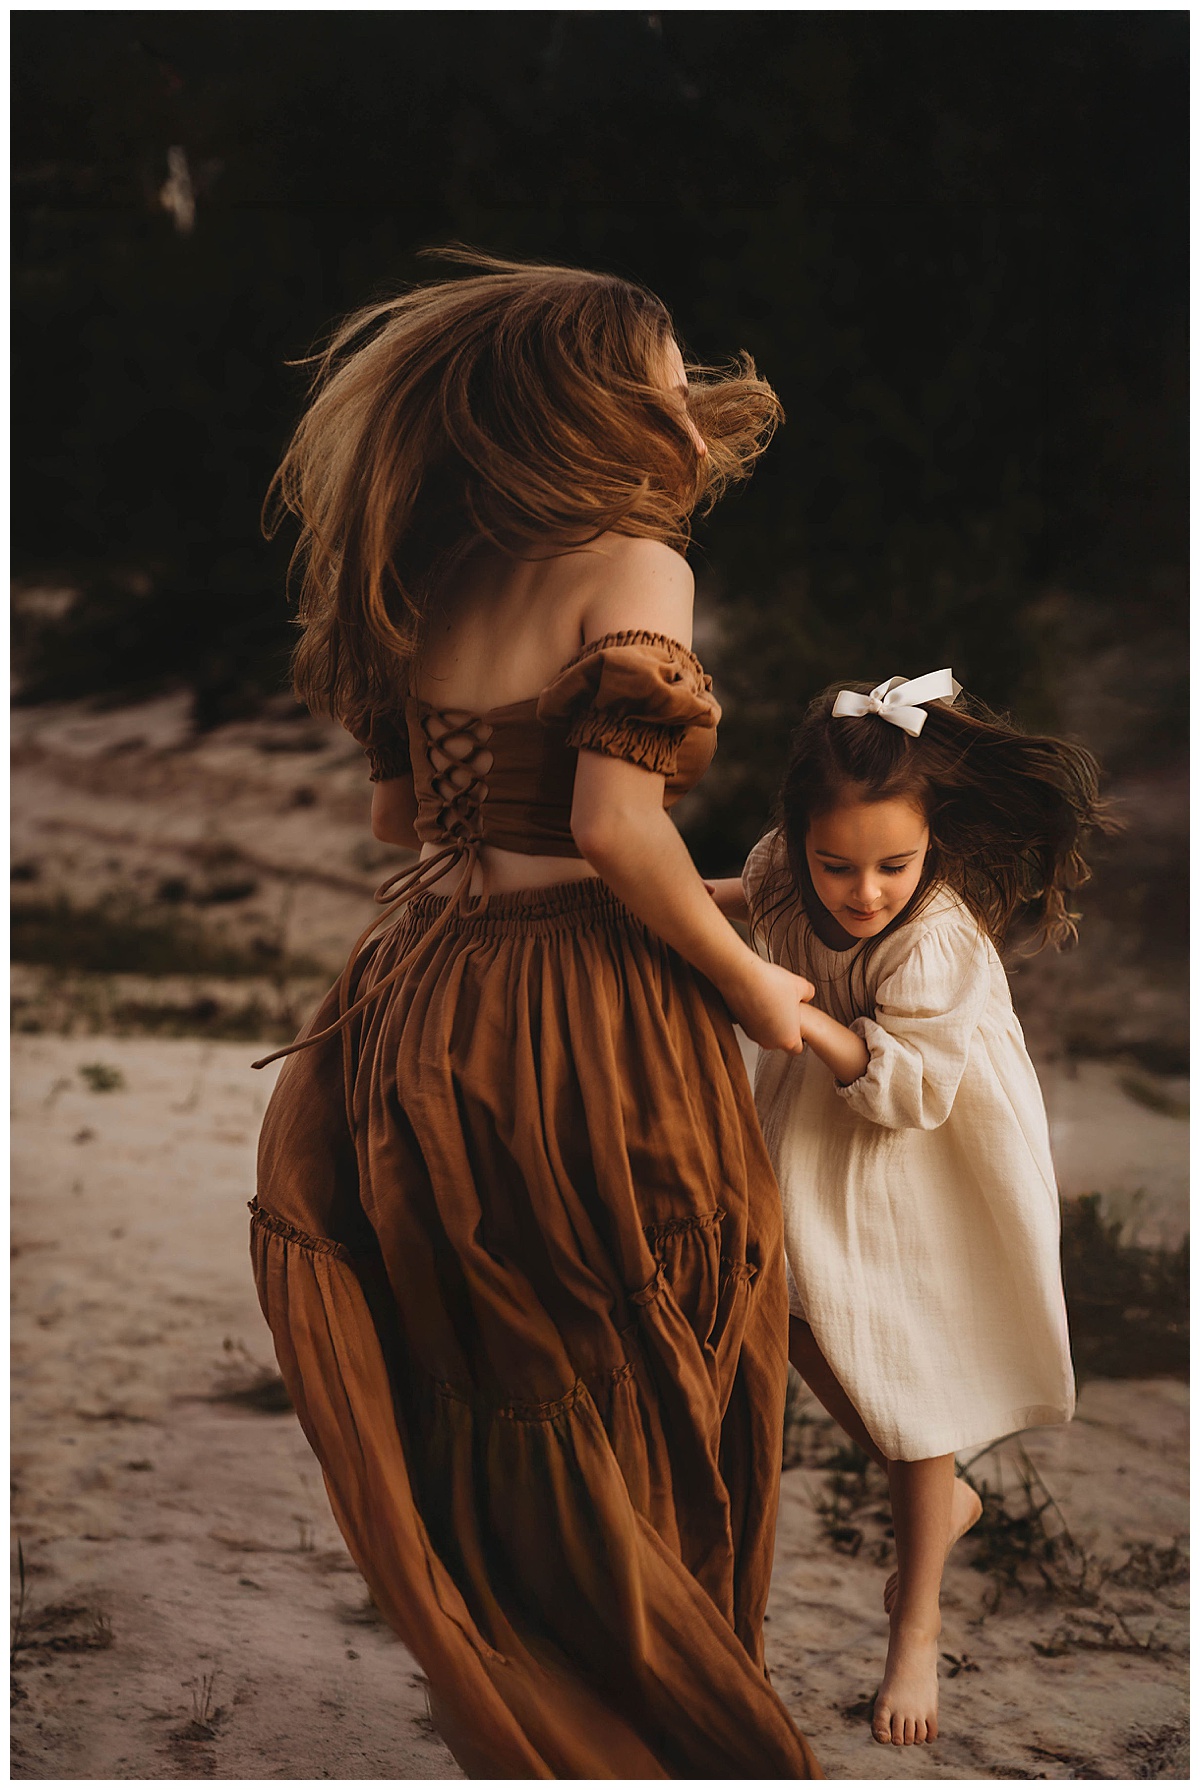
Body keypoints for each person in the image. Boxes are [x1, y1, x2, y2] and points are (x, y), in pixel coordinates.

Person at [248, 250, 822, 1778]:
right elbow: (618, 838)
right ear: (597, 405)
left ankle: (533, 1681)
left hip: (432, 990)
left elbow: (402, 824)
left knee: (509, 1356)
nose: (689, 397)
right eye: (664, 370)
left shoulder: (441, 572)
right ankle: (665, 1711)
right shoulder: (640, 566)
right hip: (589, 1005)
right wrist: (761, 979)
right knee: (654, 1329)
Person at [709, 670, 1109, 1749]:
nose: (865, 891)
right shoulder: (789, 877)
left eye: (895, 863)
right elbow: (751, 900)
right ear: (796, 838)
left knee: (912, 1363)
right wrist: (685, 909)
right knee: (782, 1304)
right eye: (835, 863)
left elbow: (908, 1088)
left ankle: (916, 1618)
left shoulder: (932, 938)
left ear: (932, 842)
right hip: (820, 1118)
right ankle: (932, 1489)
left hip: (926, 1142)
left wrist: (784, 1010)